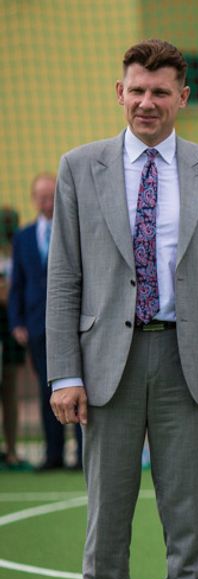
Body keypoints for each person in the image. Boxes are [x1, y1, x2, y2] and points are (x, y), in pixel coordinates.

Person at [46, 39, 198, 579]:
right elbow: (64, 279)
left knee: (189, 532)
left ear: (182, 98)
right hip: (104, 368)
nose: (147, 102)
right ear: (119, 92)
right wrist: (65, 373)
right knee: (106, 533)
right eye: (136, 90)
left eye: (160, 92)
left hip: (186, 367)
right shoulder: (77, 167)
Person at [11, 174, 83, 470]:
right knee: (47, 390)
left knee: (79, 388)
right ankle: (53, 455)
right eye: (41, 196)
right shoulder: (24, 237)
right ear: (33, 199)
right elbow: (18, 283)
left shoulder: (76, 231)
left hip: (75, 326)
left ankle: (81, 455)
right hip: (38, 327)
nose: (47, 201)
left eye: (52, 195)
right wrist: (18, 322)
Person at [0, 207, 26, 468]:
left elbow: (18, 284)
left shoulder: (16, 246)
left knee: (10, 388)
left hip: (8, 325)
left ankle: (12, 449)